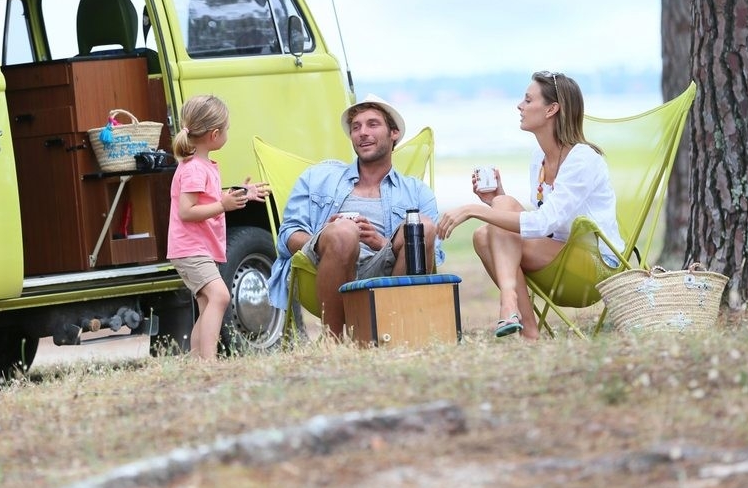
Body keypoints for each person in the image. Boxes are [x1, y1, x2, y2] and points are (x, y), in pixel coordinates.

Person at [436, 71, 624, 341]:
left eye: (527, 100)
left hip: (594, 267)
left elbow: (544, 223)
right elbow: (545, 224)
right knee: (485, 229)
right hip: (558, 257)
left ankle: (509, 302)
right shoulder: (539, 157)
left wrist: (473, 210)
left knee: (487, 226)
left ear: (551, 109)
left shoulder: (583, 159)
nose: (519, 106)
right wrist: (495, 201)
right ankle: (529, 330)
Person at [267, 94, 442, 338]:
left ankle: (393, 332)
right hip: (324, 267)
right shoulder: (319, 177)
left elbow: (435, 255)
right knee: (344, 232)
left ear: (394, 133)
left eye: (372, 124)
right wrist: (326, 237)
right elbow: (286, 236)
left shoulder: (415, 191)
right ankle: (334, 340)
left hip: (388, 269)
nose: (362, 132)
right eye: (356, 127)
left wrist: (381, 243)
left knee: (421, 226)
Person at [167, 95, 268, 360]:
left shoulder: (204, 166)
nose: (227, 134)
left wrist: (242, 192)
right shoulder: (193, 169)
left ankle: (197, 360)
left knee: (207, 303)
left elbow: (209, 198)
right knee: (221, 296)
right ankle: (209, 362)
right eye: (227, 129)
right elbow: (186, 211)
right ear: (214, 134)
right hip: (190, 249)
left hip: (200, 247)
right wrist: (223, 206)